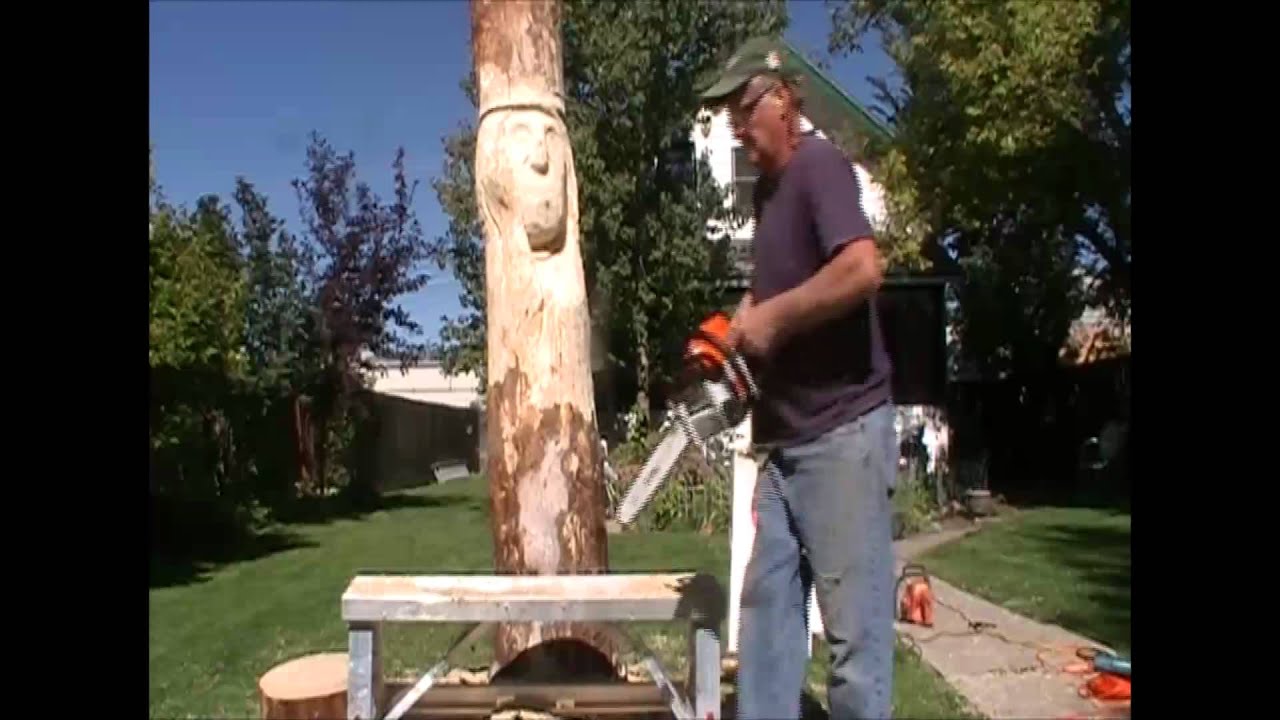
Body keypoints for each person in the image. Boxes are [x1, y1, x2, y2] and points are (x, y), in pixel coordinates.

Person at [699, 36, 898, 719]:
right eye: (726, 111)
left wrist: (773, 320)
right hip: (785, 445)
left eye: (741, 107)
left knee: (855, 636)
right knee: (767, 617)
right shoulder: (769, 193)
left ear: (782, 101)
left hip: (842, 432)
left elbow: (861, 269)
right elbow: (772, 293)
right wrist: (739, 327)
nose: (733, 124)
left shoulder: (820, 167)